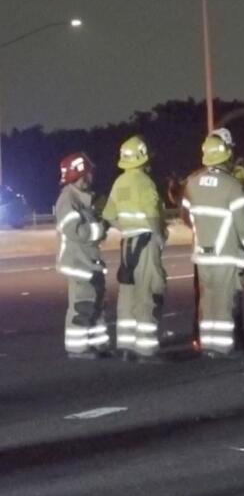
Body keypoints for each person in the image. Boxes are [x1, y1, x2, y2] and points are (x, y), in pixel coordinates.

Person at [182, 133, 244, 357]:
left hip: (202, 254)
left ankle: (209, 346)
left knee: (208, 302)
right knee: (225, 302)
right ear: (227, 154)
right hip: (227, 255)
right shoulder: (233, 186)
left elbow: (186, 215)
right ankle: (226, 347)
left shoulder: (192, 183)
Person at [102, 135, 168, 360]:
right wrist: (158, 236)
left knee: (127, 295)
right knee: (147, 293)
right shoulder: (144, 182)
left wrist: (126, 227)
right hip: (146, 243)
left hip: (127, 243)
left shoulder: (119, 183)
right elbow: (152, 213)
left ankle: (126, 346)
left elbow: (109, 215)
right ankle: (146, 349)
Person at [54, 153, 111, 358]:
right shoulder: (67, 200)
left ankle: (97, 344)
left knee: (96, 304)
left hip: (88, 261)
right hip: (78, 263)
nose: (91, 177)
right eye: (88, 173)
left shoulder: (82, 198)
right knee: (83, 305)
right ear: (81, 175)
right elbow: (77, 231)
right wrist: (101, 227)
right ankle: (78, 348)